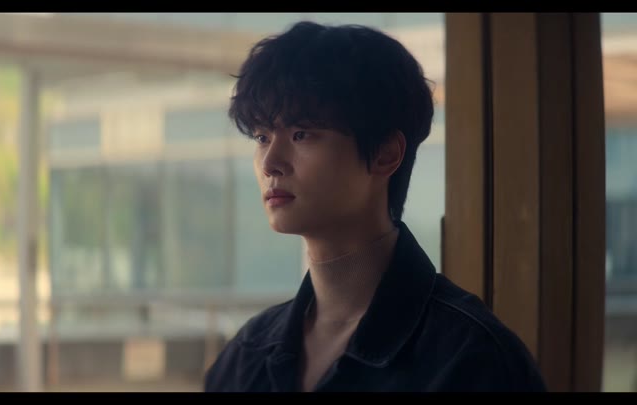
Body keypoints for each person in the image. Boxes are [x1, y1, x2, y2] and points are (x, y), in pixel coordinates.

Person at [204, 20, 547, 392]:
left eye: (302, 134)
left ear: (385, 153)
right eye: (261, 137)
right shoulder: (247, 353)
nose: (270, 162)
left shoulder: (471, 359)